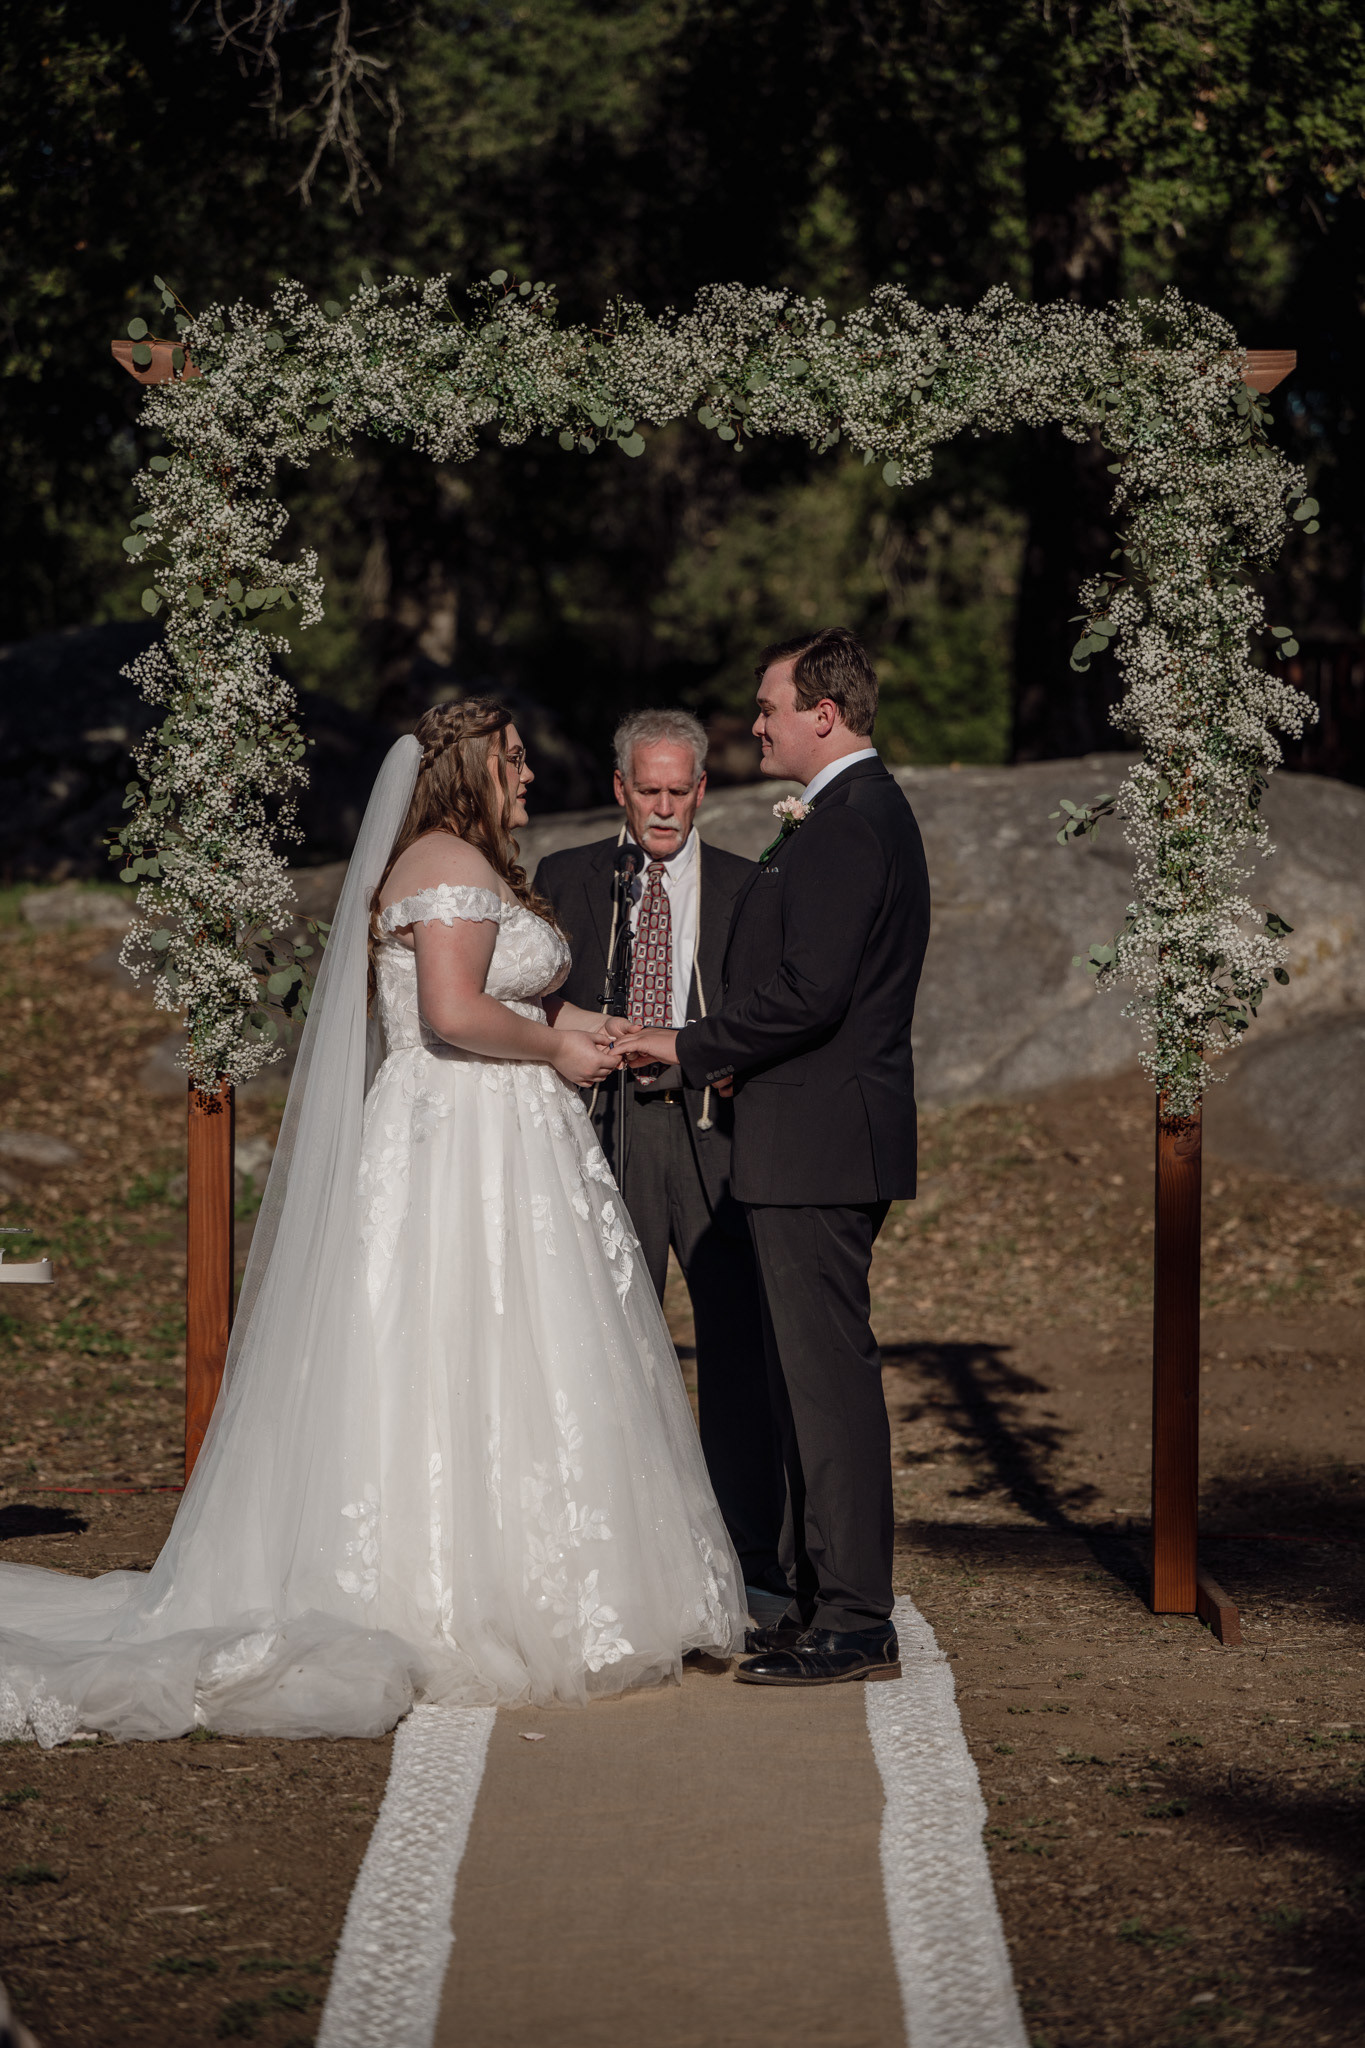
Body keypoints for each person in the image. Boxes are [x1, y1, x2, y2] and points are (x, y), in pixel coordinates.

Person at [0, 700, 744, 1746]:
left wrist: (598, 1026)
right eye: (513, 760)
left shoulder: (469, 862)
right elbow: (451, 1011)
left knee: (521, 1355)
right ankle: (451, 1596)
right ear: (470, 769)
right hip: (459, 1141)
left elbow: (511, 996)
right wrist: (558, 1053)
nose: (528, 776)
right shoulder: (443, 861)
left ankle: (544, 1577)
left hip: (504, 1135)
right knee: (448, 1347)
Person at [618, 629, 931, 1688]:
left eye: (768, 707)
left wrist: (687, 1044)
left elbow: (812, 992)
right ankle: (814, 1595)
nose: (754, 725)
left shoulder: (849, 823)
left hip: (819, 1144)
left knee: (827, 1385)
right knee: (803, 1382)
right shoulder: (842, 814)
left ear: (822, 715)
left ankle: (855, 1618)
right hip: (808, 1139)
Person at [534, 711, 785, 1619]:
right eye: (650, 791)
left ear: (703, 790)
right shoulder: (565, 877)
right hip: (606, 1130)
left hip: (713, 1130)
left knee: (738, 1346)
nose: (666, 808)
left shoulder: (748, 884)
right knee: (607, 1342)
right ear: (620, 789)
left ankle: (749, 1558)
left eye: (681, 791)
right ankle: (612, 1554)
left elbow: (768, 1010)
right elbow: (532, 998)